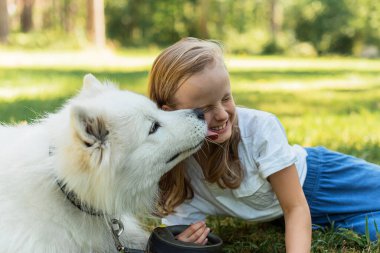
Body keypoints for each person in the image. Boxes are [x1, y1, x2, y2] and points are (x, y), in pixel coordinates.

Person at [147, 37, 380, 252]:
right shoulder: (178, 167)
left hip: (321, 181)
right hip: (286, 216)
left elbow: (296, 208)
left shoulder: (259, 128)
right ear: (169, 115)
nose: (221, 114)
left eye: (226, 98)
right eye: (204, 109)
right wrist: (183, 241)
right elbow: (178, 229)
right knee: (371, 229)